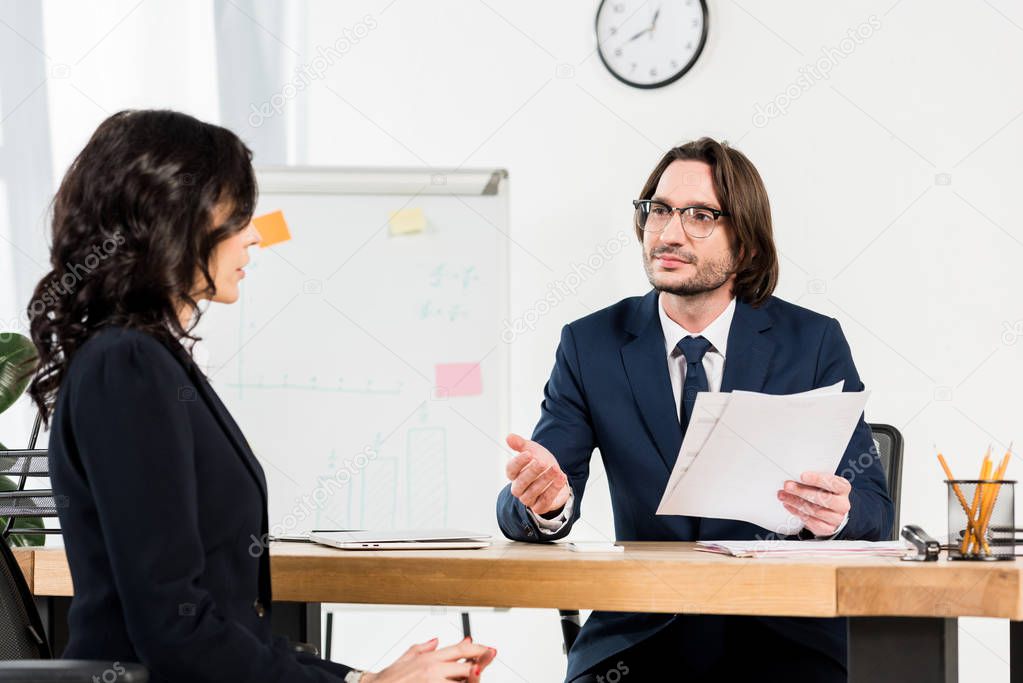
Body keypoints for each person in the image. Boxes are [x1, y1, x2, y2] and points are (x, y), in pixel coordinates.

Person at [29, 109, 496, 683]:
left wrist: (361, 679)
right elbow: (175, 630)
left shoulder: (143, 358)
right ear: (175, 218)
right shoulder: (127, 364)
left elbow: (222, 625)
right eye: (239, 217)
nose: (254, 234)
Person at [496, 137, 893, 682]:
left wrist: (838, 516)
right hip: (641, 637)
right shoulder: (591, 345)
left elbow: (875, 509)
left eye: (700, 216)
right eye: (659, 210)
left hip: (782, 638)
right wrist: (542, 503)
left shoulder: (812, 342)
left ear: (747, 245)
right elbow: (536, 495)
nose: (669, 233)